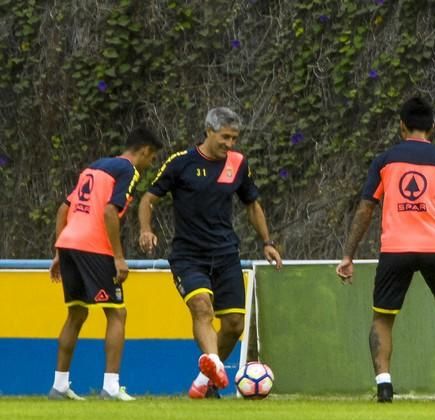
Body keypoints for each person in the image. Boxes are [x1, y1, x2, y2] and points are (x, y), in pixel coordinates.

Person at [336, 96, 435, 403]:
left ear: (401, 126)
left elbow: (365, 209)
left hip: (395, 249)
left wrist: (348, 255)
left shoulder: (385, 161)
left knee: (383, 318)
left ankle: (384, 386)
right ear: (434, 126)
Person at [138, 107, 282, 399]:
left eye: (234, 138)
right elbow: (148, 199)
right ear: (208, 131)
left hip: (226, 254)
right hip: (188, 256)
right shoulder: (181, 163)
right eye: (225, 137)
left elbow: (252, 205)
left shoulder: (238, 164)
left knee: (234, 324)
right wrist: (145, 229)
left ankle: (205, 383)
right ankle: (215, 365)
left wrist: (267, 241)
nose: (230, 144)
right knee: (202, 307)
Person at [49, 127, 163, 401]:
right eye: (152, 159)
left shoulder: (94, 167)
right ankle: (111, 387)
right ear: (145, 151)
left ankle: (59, 386)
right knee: (116, 314)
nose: (150, 165)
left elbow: (65, 208)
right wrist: (118, 257)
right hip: (93, 248)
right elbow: (110, 211)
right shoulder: (128, 171)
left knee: (76, 314)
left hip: (69, 244)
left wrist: (57, 252)